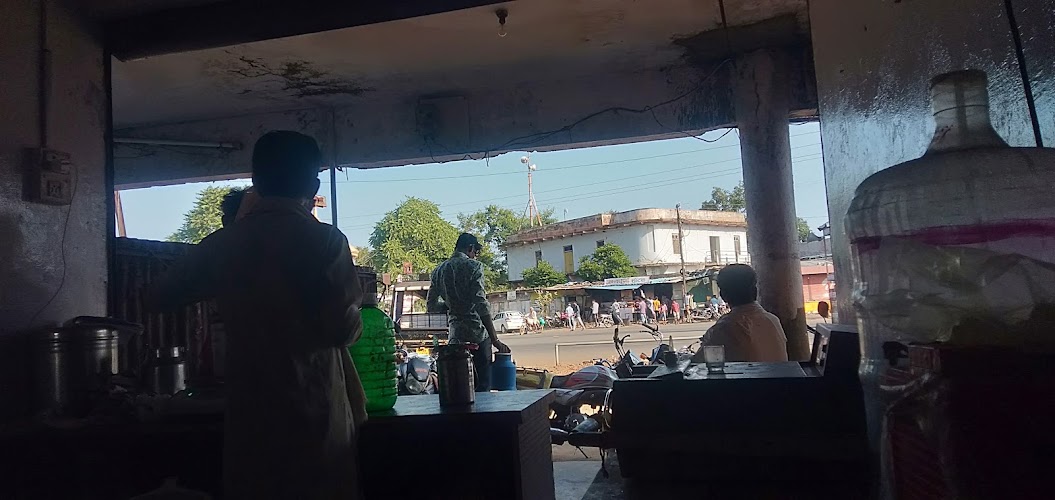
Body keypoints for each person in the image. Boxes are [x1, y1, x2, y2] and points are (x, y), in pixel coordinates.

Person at [150, 131, 366, 499]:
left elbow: (159, 296)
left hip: (251, 420)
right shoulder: (325, 242)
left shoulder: (225, 244)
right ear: (313, 186)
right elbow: (344, 330)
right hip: (313, 416)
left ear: (256, 182)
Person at [428, 233, 511, 392]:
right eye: (475, 252)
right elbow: (481, 304)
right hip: (478, 335)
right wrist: (495, 339)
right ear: (470, 248)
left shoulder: (438, 271)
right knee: (482, 388)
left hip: (455, 337)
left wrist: (451, 305)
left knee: (460, 387)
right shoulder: (474, 266)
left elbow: (431, 306)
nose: (474, 256)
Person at [691, 264, 788, 363]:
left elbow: (698, 361)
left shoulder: (725, 327)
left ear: (723, 295)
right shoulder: (773, 320)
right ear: (755, 291)